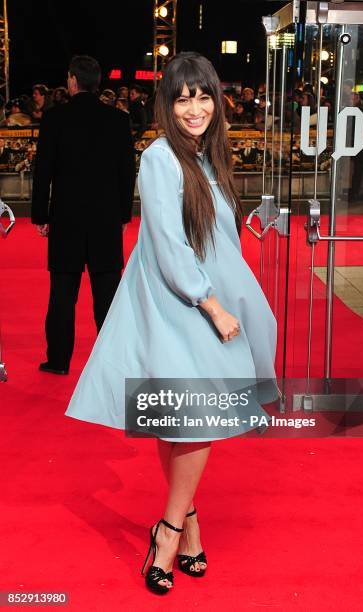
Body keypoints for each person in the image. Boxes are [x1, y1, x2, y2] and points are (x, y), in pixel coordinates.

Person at [65, 52, 277, 594]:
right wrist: (212, 304)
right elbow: (166, 242)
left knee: (177, 416)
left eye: (203, 95)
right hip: (175, 303)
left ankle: (185, 523)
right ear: (166, 103)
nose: (195, 107)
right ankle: (172, 529)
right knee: (195, 418)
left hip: (193, 299)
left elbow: (214, 239)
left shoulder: (208, 156)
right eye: (183, 98)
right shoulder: (161, 157)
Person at [31, 55, 135, 375]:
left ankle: (59, 361)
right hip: (105, 219)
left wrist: (40, 216)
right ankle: (111, 363)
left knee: (62, 295)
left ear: (73, 81)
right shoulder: (117, 120)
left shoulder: (54, 118)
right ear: (97, 82)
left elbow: (43, 171)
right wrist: (122, 216)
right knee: (107, 296)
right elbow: (127, 172)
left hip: (67, 219)